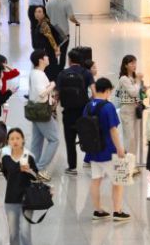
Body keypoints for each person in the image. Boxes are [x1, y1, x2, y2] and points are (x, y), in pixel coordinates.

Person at [84, 77, 130, 222]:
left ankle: (98, 210)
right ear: (107, 90)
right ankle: (117, 211)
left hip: (93, 149)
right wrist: (120, 148)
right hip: (108, 150)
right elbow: (113, 130)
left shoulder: (88, 106)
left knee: (95, 180)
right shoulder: (108, 107)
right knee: (118, 180)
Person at [55, 48, 94, 175]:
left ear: (69, 60)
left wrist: (54, 108)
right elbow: (94, 93)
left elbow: (57, 94)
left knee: (70, 140)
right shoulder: (86, 73)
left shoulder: (62, 74)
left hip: (68, 112)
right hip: (83, 112)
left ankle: (72, 167)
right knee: (87, 137)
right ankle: (91, 162)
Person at [1, 128, 40, 245]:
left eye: (18, 138)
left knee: (25, 232)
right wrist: (20, 167)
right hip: (11, 200)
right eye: (12, 139)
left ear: (23, 140)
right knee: (13, 234)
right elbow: (9, 171)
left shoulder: (29, 158)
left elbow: (36, 177)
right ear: (8, 141)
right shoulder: (6, 158)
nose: (15, 141)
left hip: (27, 201)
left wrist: (29, 170)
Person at [27, 49, 59, 181]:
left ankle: (32, 168)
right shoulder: (39, 75)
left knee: (37, 141)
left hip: (34, 110)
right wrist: (52, 85)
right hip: (41, 111)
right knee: (54, 139)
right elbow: (41, 93)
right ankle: (40, 168)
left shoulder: (34, 73)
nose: (48, 57)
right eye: (46, 56)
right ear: (40, 59)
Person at [45, 0, 80, 70]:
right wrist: (76, 22)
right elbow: (71, 17)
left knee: (52, 51)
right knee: (63, 52)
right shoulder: (67, 3)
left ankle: (54, 68)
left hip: (52, 31)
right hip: (64, 32)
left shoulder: (49, 3)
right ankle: (61, 69)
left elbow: (47, 16)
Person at [115, 55, 144, 159]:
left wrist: (143, 91)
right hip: (127, 109)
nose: (134, 65)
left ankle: (132, 161)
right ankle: (128, 161)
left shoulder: (133, 78)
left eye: (135, 63)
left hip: (135, 108)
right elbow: (133, 92)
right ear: (125, 65)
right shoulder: (124, 79)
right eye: (132, 63)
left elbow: (139, 94)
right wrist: (138, 81)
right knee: (129, 137)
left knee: (135, 137)